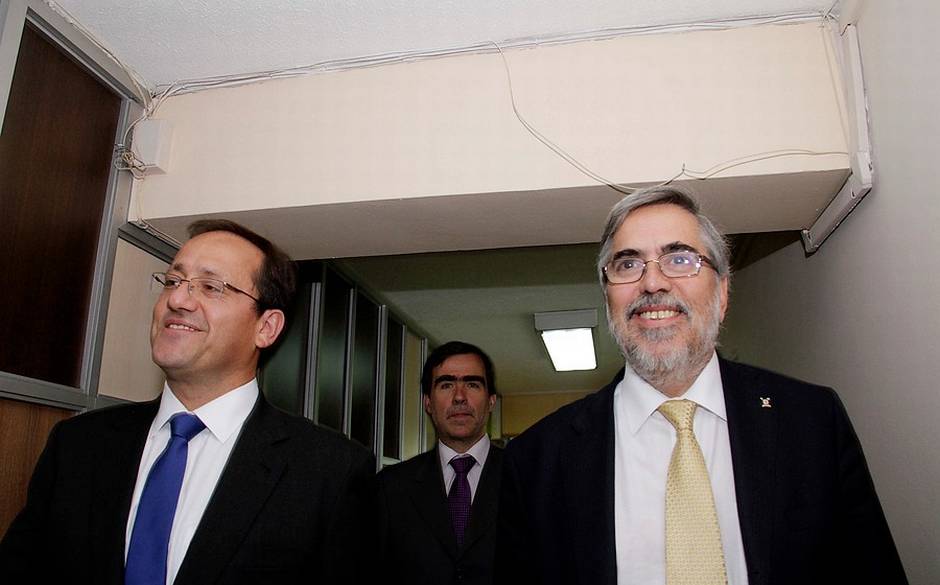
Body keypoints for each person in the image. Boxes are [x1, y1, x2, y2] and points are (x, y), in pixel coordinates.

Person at [495, 186, 907, 585]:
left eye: (679, 259)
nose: (652, 283)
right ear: (608, 301)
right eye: (628, 264)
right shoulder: (537, 460)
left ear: (722, 292)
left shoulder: (813, 422)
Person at [0, 219, 376, 584]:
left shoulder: (330, 470)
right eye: (172, 281)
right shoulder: (78, 444)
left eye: (210, 287)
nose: (177, 299)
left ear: (266, 327)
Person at [379, 341, 502, 585]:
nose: (459, 397)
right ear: (427, 403)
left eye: (472, 384)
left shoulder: (528, 480)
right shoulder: (389, 487)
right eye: (446, 385)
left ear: (491, 401)